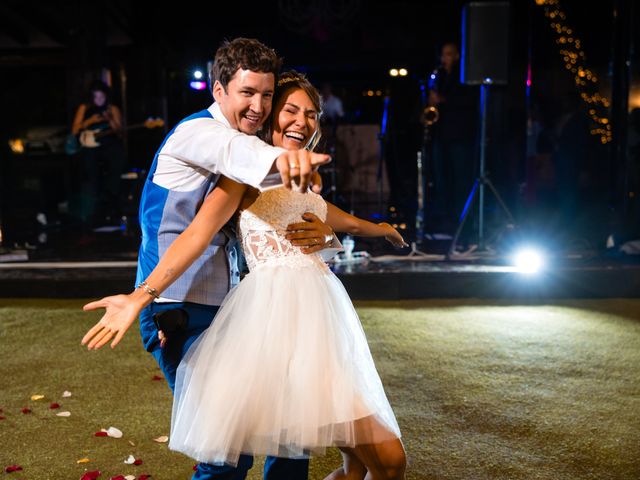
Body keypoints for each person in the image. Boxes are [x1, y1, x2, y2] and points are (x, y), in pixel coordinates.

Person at [84, 70, 408, 480]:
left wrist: (366, 232)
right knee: (242, 455)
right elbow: (198, 234)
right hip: (269, 321)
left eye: (311, 114)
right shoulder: (238, 170)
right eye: (290, 110)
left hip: (320, 321)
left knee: (331, 458)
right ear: (270, 115)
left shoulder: (311, 177)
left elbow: (334, 225)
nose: (302, 121)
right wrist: (141, 295)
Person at [428, 42, 478, 234]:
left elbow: (469, 101)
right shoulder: (440, 76)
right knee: (442, 178)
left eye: (448, 54)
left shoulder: (464, 76)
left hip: (460, 134)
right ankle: (445, 218)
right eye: (443, 55)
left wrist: (443, 100)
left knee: (460, 179)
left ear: (457, 56)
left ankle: (462, 221)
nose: (444, 59)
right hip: (441, 134)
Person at [71, 80, 127, 226]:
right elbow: (74, 130)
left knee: (113, 180)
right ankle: (94, 215)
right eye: (96, 97)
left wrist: (110, 120)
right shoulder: (85, 108)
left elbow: (120, 132)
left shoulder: (112, 108)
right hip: (91, 150)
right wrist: (89, 121)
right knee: (93, 180)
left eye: (101, 97)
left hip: (110, 147)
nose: (99, 101)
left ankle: (114, 211)